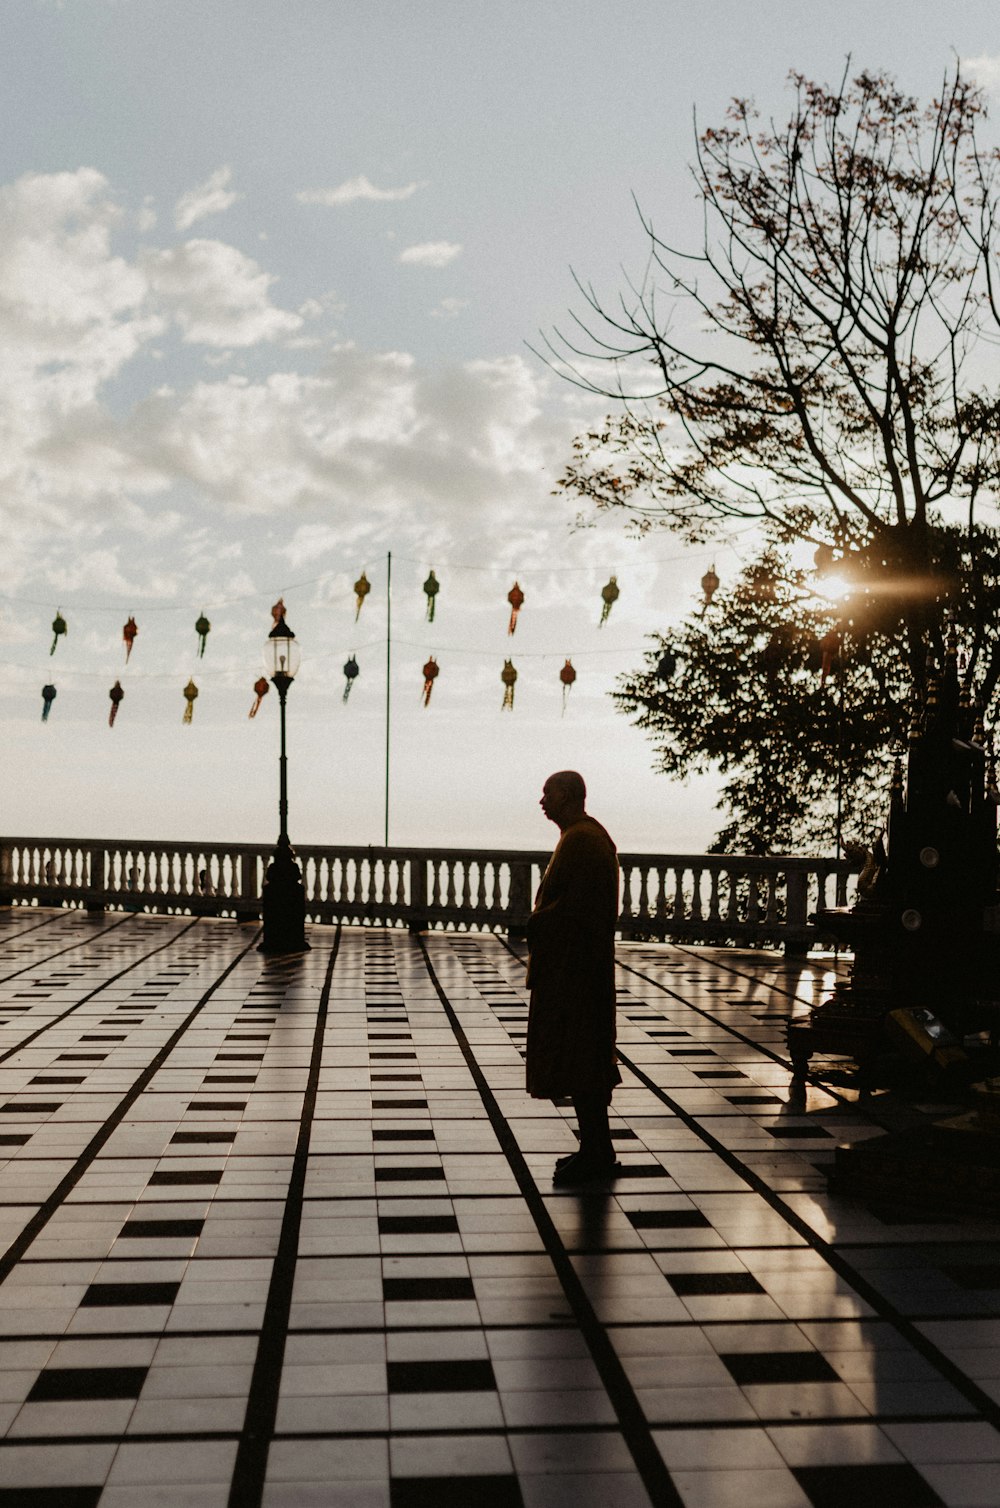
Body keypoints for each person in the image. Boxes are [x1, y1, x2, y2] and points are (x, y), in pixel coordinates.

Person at [525, 770, 621, 1183]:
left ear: (566, 795)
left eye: (548, 792)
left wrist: (536, 925)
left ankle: (598, 1152)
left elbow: (572, 911)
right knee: (583, 1059)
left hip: (577, 972)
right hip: (578, 969)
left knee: (583, 1060)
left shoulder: (582, 839)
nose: (542, 800)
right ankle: (595, 1148)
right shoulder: (580, 836)